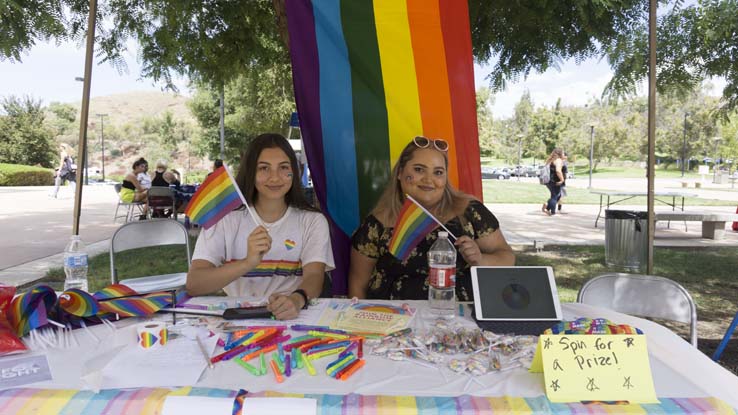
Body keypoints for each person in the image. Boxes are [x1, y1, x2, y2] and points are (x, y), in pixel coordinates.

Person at [186, 133, 334, 320]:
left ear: (294, 173)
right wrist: (248, 262)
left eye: (284, 168)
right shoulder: (224, 218)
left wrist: (297, 300)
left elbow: (314, 275)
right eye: (264, 168)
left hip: (293, 316)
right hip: (239, 319)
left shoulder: (313, 221)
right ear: (250, 173)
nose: (275, 178)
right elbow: (194, 284)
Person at [349, 136, 515, 301]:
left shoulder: (470, 211)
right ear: (400, 173)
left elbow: (508, 259)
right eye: (419, 169)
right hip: (393, 320)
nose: (429, 180)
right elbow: (358, 284)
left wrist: (480, 259)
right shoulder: (376, 225)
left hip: (459, 319)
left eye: (438, 172)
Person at [542, 148, 566, 216]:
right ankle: (550, 210)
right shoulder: (558, 160)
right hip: (554, 181)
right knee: (555, 196)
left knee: (557, 195)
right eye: (563, 153)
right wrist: (562, 179)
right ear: (560, 153)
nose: (563, 154)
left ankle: (547, 206)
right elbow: (558, 170)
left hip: (549, 181)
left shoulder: (551, 160)